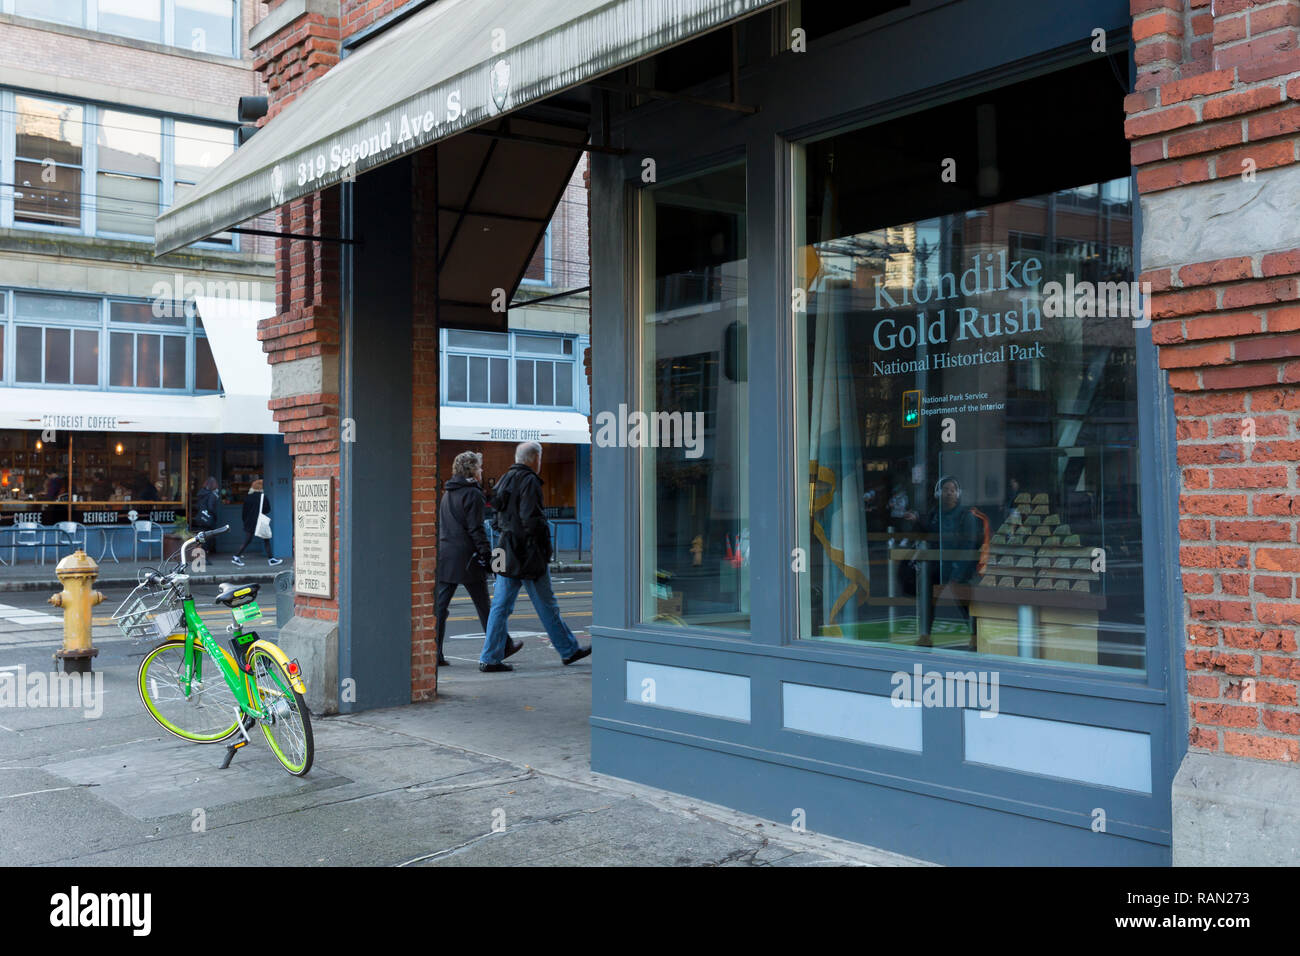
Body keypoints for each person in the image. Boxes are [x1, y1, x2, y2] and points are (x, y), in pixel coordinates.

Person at [479, 441, 591, 672]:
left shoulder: (504, 479)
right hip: (527, 553)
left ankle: (489, 657)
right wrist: (544, 549)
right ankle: (569, 650)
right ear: (534, 459)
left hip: (505, 549)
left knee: (499, 606)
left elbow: (496, 518)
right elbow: (532, 520)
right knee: (547, 605)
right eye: (539, 458)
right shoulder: (529, 481)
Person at [434, 452, 517, 667]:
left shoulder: (447, 493)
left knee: (440, 607)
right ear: (471, 470)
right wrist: (487, 556)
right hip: (468, 558)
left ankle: (434, 653)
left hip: (446, 556)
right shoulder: (473, 494)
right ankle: (502, 647)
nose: (482, 471)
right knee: (485, 606)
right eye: (480, 467)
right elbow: (476, 529)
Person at [903, 476, 984, 649]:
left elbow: (969, 545)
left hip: (957, 568)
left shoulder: (965, 516)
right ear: (938, 493)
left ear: (958, 494)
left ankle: (976, 637)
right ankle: (925, 636)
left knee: (966, 606)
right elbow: (927, 535)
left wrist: (958, 572)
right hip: (936, 567)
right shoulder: (935, 514)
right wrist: (916, 521)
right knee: (928, 603)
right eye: (945, 490)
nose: (949, 493)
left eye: (952, 490)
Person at [232, 478, 282, 567]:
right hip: (260, 521)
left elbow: (244, 512)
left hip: (249, 522)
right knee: (266, 540)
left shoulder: (248, 497)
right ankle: (271, 559)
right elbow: (267, 510)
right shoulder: (263, 497)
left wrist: (246, 521)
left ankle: (236, 557)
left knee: (247, 541)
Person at [193, 476, 222, 554]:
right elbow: (211, 507)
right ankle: (204, 555)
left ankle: (200, 554)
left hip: (201, 518)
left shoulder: (201, 493)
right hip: (208, 520)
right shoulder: (211, 495)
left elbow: (197, 506)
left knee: (202, 537)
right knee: (208, 538)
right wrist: (215, 516)